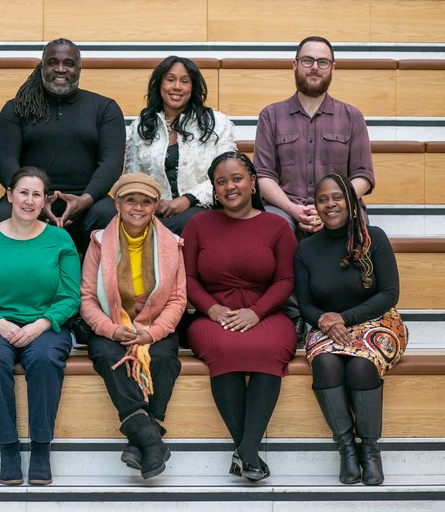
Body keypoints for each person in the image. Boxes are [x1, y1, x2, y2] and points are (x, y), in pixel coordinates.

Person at [182, 151, 297, 481]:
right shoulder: (198, 223)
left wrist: (256, 313)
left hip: (266, 312)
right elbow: (187, 278)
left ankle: (245, 453)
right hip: (212, 314)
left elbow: (286, 280)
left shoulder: (277, 226)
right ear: (214, 190)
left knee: (268, 349)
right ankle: (248, 453)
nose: (230, 186)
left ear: (252, 182)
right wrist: (211, 308)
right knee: (225, 349)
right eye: (221, 182)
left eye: (236, 178)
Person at [0, 167, 81, 486]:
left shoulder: (59, 239)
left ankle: (41, 448)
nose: (29, 200)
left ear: (45, 201)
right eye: (23, 193)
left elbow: (71, 296)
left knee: (43, 360)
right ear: (9, 195)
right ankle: (9, 447)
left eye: (36, 194)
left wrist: (41, 324)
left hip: (46, 324)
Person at [295, 173, 407, 486]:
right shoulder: (306, 249)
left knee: (360, 365)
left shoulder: (376, 237)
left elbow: (389, 294)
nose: (330, 204)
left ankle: (369, 450)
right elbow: (304, 304)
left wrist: (343, 317)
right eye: (322, 199)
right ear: (315, 206)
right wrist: (325, 321)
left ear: (351, 202)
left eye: (337, 197)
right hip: (327, 324)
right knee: (327, 363)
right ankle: (346, 449)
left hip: (377, 320)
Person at [80, 173, 186, 479]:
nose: (138, 207)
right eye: (131, 200)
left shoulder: (173, 244)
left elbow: (178, 300)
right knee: (107, 355)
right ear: (117, 204)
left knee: (165, 358)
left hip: (155, 324)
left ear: (155, 206)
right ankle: (151, 439)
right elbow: (87, 298)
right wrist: (111, 330)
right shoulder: (100, 242)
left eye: (146, 201)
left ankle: (141, 440)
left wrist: (150, 333)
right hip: (112, 322)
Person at [0, 38, 126, 250]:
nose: (60, 69)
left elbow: (111, 163)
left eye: (69, 63)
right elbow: (4, 163)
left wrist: (85, 200)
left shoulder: (105, 108)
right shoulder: (16, 108)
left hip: (88, 201)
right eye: (53, 62)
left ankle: (97, 285)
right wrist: (33, 199)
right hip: (30, 199)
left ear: (79, 69)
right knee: (0, 219)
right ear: (42, 67)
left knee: (109, 217)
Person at [254, 35, 374, 240]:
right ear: (295, 65)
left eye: (323, 62)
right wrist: (294, 210)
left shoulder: (352, 116)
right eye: (307, 60)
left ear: (333, 67)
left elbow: (363, 175)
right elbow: (263, 175)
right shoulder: (270, 115)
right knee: (272, 226)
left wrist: (329, 206)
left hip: (339, 206)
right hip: (285, 208)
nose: (315, 67)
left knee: (353, 224)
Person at [124, 56, 236, 235]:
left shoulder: (216, 123)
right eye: (170, 80)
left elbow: (226, 175)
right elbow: (134, 177)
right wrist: (152, 202)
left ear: (193, 87)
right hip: (154, 210)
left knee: (181, 225)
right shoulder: (142, 125)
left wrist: (188, 199)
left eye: (184, 81)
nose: (177, 86)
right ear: (160, 84)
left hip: (202, 207)